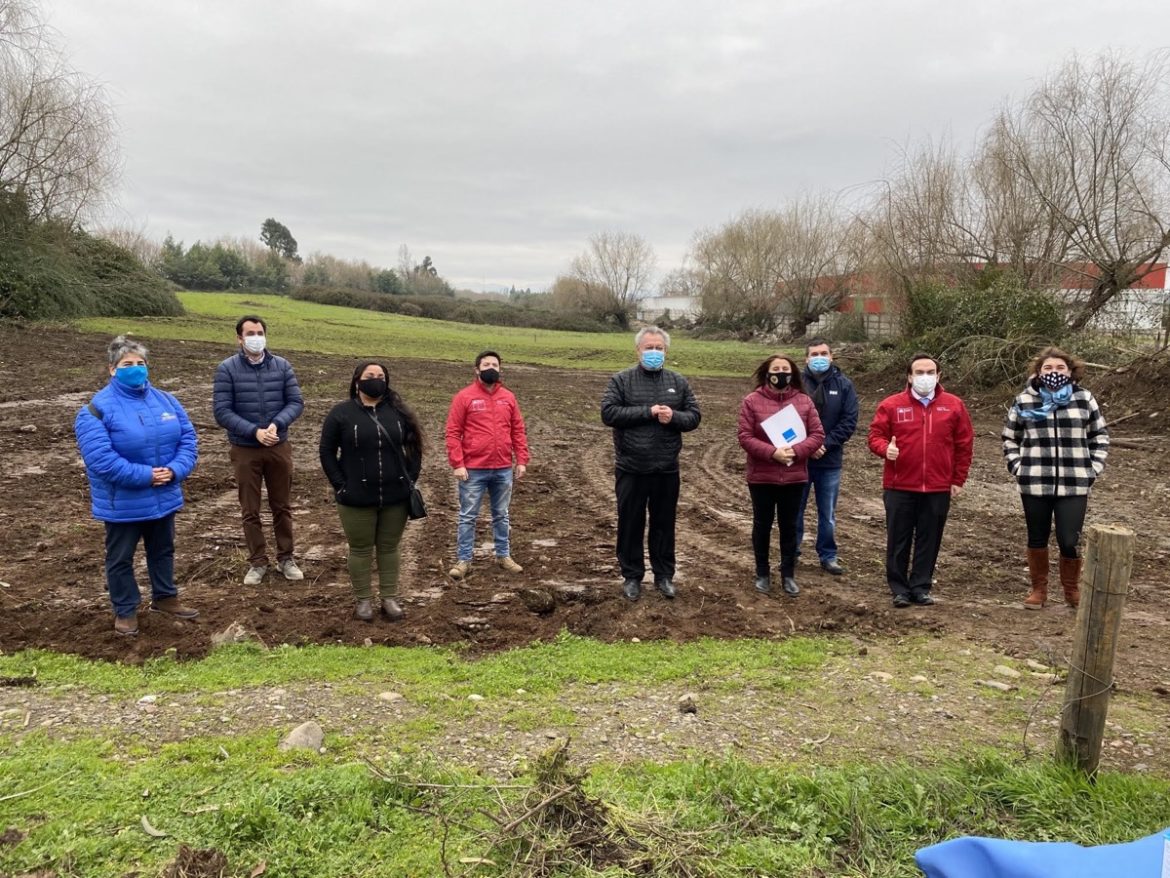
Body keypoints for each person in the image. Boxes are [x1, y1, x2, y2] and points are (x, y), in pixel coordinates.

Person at [75, 336, 200, 635]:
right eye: (127, 364)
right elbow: (101, 460)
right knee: (120, 558)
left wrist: (173, 470)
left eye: (140, 363)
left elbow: (188, 441)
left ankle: (166, 597)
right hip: (123, 502)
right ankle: (125, 609)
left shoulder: (167, 401)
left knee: (163, 550)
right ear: (112, 369)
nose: (135, 369)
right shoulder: (95, 410)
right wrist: (147, 476)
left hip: (164, 494)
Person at [1002, 347, 1108, 610]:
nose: (1054, 372)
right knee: (1036, 537)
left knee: (1069, 540)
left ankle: (1071, 590)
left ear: (1071, 372)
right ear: (1039, 372)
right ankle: (1038, 590)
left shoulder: (1084, 399)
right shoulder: (1025, 401)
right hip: (1034, 482)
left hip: (1074, 483)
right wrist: (1018, 467)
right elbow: (1009, 437)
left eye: (1060, 368)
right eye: (1048, 368)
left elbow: (1100, 436)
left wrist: (1092, 469)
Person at [601, 326, 701, 601]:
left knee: (664, 524)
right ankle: (632, 576)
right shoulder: (621, 380)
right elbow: (609, 413)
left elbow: (694, 416)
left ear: (666, 351)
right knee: (630, 523)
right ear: (638, 350)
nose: (654, 352)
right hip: (631, 467)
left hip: (667, 468)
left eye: (659, 348)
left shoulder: (678, 381)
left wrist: (675, 417)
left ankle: (664, 575)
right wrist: (648, 412)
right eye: (649, 348)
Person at [867, 353, 974, 608]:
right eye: (919, 372)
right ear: (909, 376)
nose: (924, 377)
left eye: (929, 372)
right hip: (899, 485)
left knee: (930, 537)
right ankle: (899, 588)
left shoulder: (954, 405)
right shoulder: (891, 405)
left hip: (937, 486)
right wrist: (885, 449)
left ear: (938, 376)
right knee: (898, 539)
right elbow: (875, 436)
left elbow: (964, 445)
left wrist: (957, 479)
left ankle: (921, 586)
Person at [320, 362, 424, 621]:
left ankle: (389, 598)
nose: (376, 380)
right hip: (355, 497)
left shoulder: (399, 413)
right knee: (361, 549)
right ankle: (363, 600)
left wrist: (409, 479)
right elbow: (326, 452)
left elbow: (414, 449)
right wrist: (340, 485)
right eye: (370, 376)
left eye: (380, 377)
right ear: (357, 381)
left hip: (395, 497)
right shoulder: (341, 414)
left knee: (389, 548)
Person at [213, 315, 305, 586]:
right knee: (250, 509)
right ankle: (258, 562)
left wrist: (277, 424)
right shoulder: (227, 369)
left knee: (282, 505)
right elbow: (222, 411)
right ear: (239, 338)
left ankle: (286, 558)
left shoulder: (282, 366)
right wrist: (254, 431)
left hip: (278, 446)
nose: (256, 337)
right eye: (250, 333)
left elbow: (296, 402)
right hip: (245, 449)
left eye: (260, 332)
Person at [738, 355, 825, 596]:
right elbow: (745, 436)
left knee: (789, 526)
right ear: (767, 372)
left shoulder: (804, 401)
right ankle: (762, 573)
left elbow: (817, 435)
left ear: (793, 374)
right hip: (762, 475)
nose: (781, 373)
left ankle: (788, 574)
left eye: (785, 369)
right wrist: (772, 453)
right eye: (776, 369)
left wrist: (795, 452)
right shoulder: (751, 401)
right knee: (762, 525)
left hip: (794, 475)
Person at [445, 350, 531, 579]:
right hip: (473, 469)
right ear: (477, 369)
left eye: (494, 364)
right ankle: (464, 560)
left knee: (501, 515)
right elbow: (453, 433)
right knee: (468, 516)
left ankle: (503, 556)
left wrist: (521, 459)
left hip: (502, 467)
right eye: (486, 364)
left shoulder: (508, 398)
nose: (490, 367)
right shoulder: (464, 397)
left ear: (500, 369)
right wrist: (458, 463)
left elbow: (517, 430)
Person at [797, 338, 859, 575]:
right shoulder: (796, 384)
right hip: (800, 460)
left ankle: (828, 555)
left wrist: (825, 444)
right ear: (806, 358)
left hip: (830, 460)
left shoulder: (844, 385)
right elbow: (787, 418)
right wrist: (806, 446)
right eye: (814, 354)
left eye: (823, 353)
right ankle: (791, 552)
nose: (819, 358)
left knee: (828, 514)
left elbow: (849, 420)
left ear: (832, 357)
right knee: (795, 511)